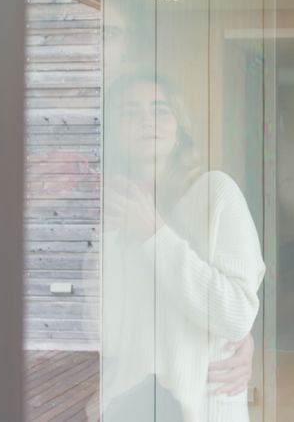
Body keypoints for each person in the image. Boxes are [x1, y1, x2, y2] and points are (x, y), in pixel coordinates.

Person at [100, 71, 265, 422]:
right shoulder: (109, 217)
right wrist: (108, 237)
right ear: (112, 134)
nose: (147, 121)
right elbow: (109, 335)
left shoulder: (216, 193)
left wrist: (155, 236)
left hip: (206, 408)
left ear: (179, 130)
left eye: (160, 110)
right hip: (126, 409)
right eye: (130, 112)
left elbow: (236, 315)